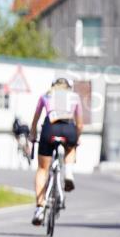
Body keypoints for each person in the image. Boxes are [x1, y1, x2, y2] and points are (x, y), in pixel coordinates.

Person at [28, 78, 82, 226]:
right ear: (69, 88)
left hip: (49, 129)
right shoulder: (74, 97)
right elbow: (80, 123)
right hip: (69, 129)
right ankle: (69, 173)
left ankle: (40, 208)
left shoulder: (46, 95)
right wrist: (77, 138)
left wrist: (32, 135)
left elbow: (35, 120)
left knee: (42, 169)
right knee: (70, 148)